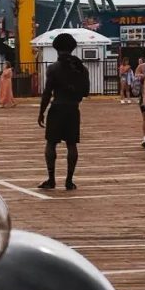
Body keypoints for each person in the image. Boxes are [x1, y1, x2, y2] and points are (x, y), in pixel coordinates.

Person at [37, 32, 89, 190]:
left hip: (57, 107)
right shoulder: (82, 69)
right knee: (72, 144)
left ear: (57, 49)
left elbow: (47, 93)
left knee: (51, 143)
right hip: (73, 109)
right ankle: (69, 180)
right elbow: (85, 92)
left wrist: (41, 112)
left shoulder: (53, 68)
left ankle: (51, 178)